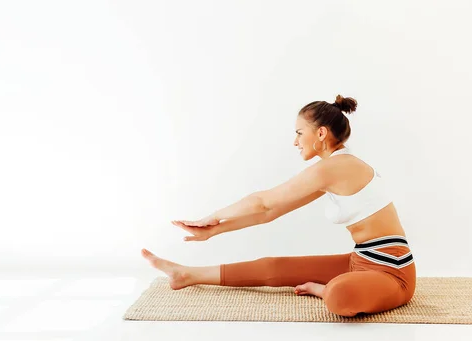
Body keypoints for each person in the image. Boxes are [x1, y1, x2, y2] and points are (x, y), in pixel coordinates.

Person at [141, 95, 416, 317]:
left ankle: (325, 290)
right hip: (362, 261)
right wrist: (215, 230)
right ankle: (187, 274)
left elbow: (262, 201)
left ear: (320, 133)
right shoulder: (333, 169)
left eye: (299, 133)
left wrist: (211, 217)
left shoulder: (335, 168)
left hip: (392, 273)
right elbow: (269, 212)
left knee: (339, 296)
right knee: (273, 266)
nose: (295, 141)